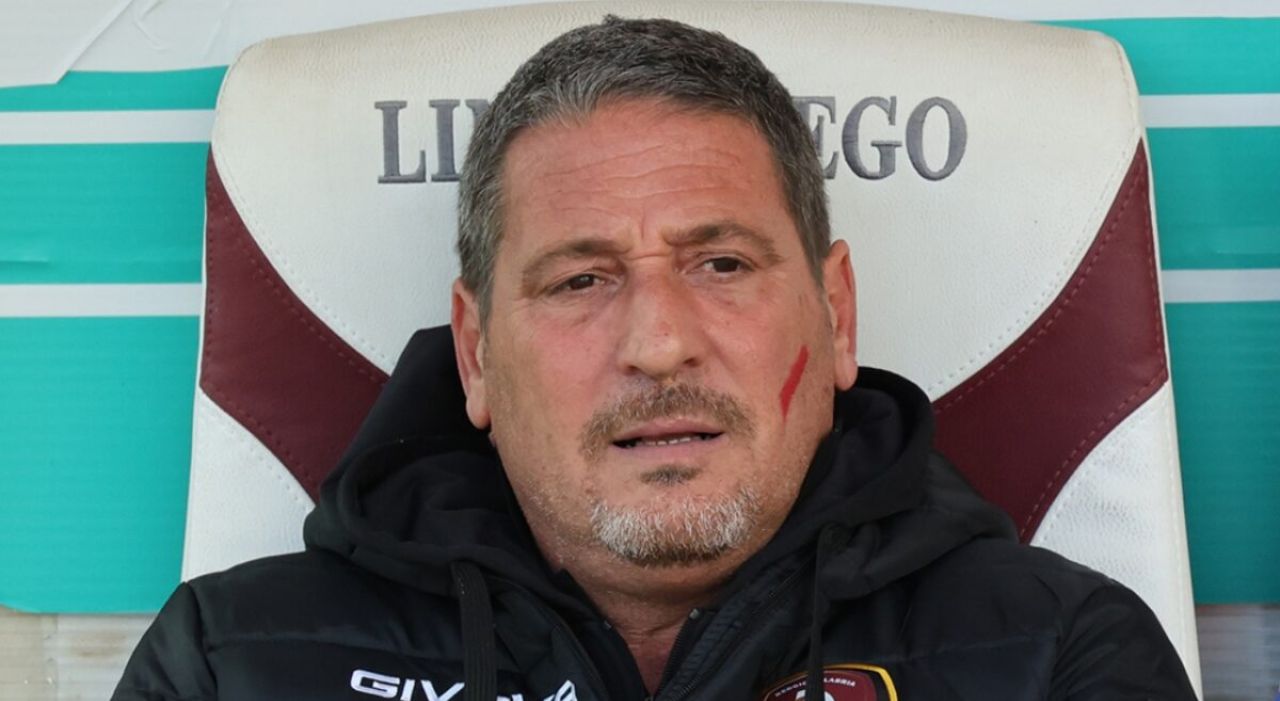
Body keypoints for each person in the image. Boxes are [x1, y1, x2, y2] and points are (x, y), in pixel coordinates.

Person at [114, 15, 1196, 701]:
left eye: (721, 263)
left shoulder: (1058, 655)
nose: (659, 342)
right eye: (580, 279)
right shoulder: (232, 661)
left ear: (835, 316)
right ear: (476, 354)